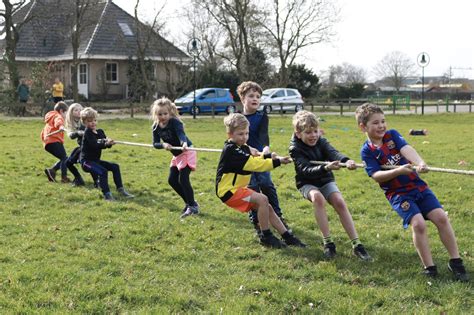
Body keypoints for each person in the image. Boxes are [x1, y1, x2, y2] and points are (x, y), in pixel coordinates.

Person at [355, 103, 469, 281]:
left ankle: (456, 262)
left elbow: (406, 149)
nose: (381, 126)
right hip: (398, 194)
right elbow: (376, 175)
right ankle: (429, 267)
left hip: (417, 186)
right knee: (418, 224)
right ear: (363, 127)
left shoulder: (392, 135)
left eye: (383, 121)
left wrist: (419, 162)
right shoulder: (367, 151)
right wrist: (398, 171)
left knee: (441, 217)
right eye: (375, 123)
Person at [289, 110, 371, 261]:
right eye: (308, 132)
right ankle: (328, 243)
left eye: (315, 131)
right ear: (298, 133)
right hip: (306, 182)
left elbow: (333, 153)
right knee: (318, 198)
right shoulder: (295, 148)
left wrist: (346, 161)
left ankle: (357, 244)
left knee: (339, 202)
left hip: (325, 179)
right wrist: (325, 167)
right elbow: (305, 170)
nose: (313, 135)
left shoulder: (321, 141)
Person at [216, 113, 305, 249]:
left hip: (238, 189)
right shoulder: (232, 150)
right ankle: (266, 236)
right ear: (229, 134)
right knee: (263, 199)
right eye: (240, 134)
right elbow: (255, 164)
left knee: (267, 207)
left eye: (247, 133)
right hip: (228, 192)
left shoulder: (242, 147)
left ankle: (288, 237)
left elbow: (257, 156)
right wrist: (277, 162)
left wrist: (269, 156)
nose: (245, 137)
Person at [237, 81, 289, 235]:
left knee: (266, 184)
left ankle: (278, 216)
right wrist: (246, 149)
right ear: (242, 99)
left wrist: (266, 147)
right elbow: (234, 138)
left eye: (258, 96)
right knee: (251, 188)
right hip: (244, 160)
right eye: (251, 96)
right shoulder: (237, 118)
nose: (255, 99)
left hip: (261, 158)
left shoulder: (262, 116)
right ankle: (256, 220)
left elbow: (263, 135)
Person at [150, 97, 200, 218]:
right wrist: (163, 144)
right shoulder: (156, 127)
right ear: (156, 114)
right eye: (160, 114)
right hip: (176, 155)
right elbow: (155, 144)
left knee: (183, 179)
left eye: (165, 113)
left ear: (170, 112)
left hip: (186, 152)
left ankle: (192, 207)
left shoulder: (175, 122)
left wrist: (184, 143)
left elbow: (181, 134)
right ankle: (189, 203)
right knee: (172, 180)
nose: (163, 116)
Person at [79, 107, 134, 201]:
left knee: (115, 166)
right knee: (103, 172)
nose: (93, 123)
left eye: (95, 120)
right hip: (86, 163)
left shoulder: (100, 132)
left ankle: (120, 189)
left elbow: (105, 143)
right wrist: (105, 143)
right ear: (84, 122)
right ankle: (107, 195)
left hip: (95, 161)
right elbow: (95, 145)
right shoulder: (87, 133)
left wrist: (109, 142)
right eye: (89, 121)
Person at [40, 101, 81, 183]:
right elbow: (58, 121)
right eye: (66, 113)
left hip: (48, 142)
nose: (66, 116)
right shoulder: (58, 116)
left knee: (64, 158)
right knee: (64, 159)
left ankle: (52, 170)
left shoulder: (51, 116)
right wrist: (61, 126)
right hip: (53, 141)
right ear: (62, 111)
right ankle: (64, 177)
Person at [64, 103, 98, 187]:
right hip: (81, 147)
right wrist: (77, 133)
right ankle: (79, 178)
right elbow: (71, 135)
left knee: (88, 165)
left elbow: (92, 131)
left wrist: (85, 132)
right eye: (76, 110)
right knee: (68, 163)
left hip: (86, 148)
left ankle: (97, 182)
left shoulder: (85, 121)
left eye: (80, 109)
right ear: (71, 113)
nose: (79, 111)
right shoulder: (72, 123)